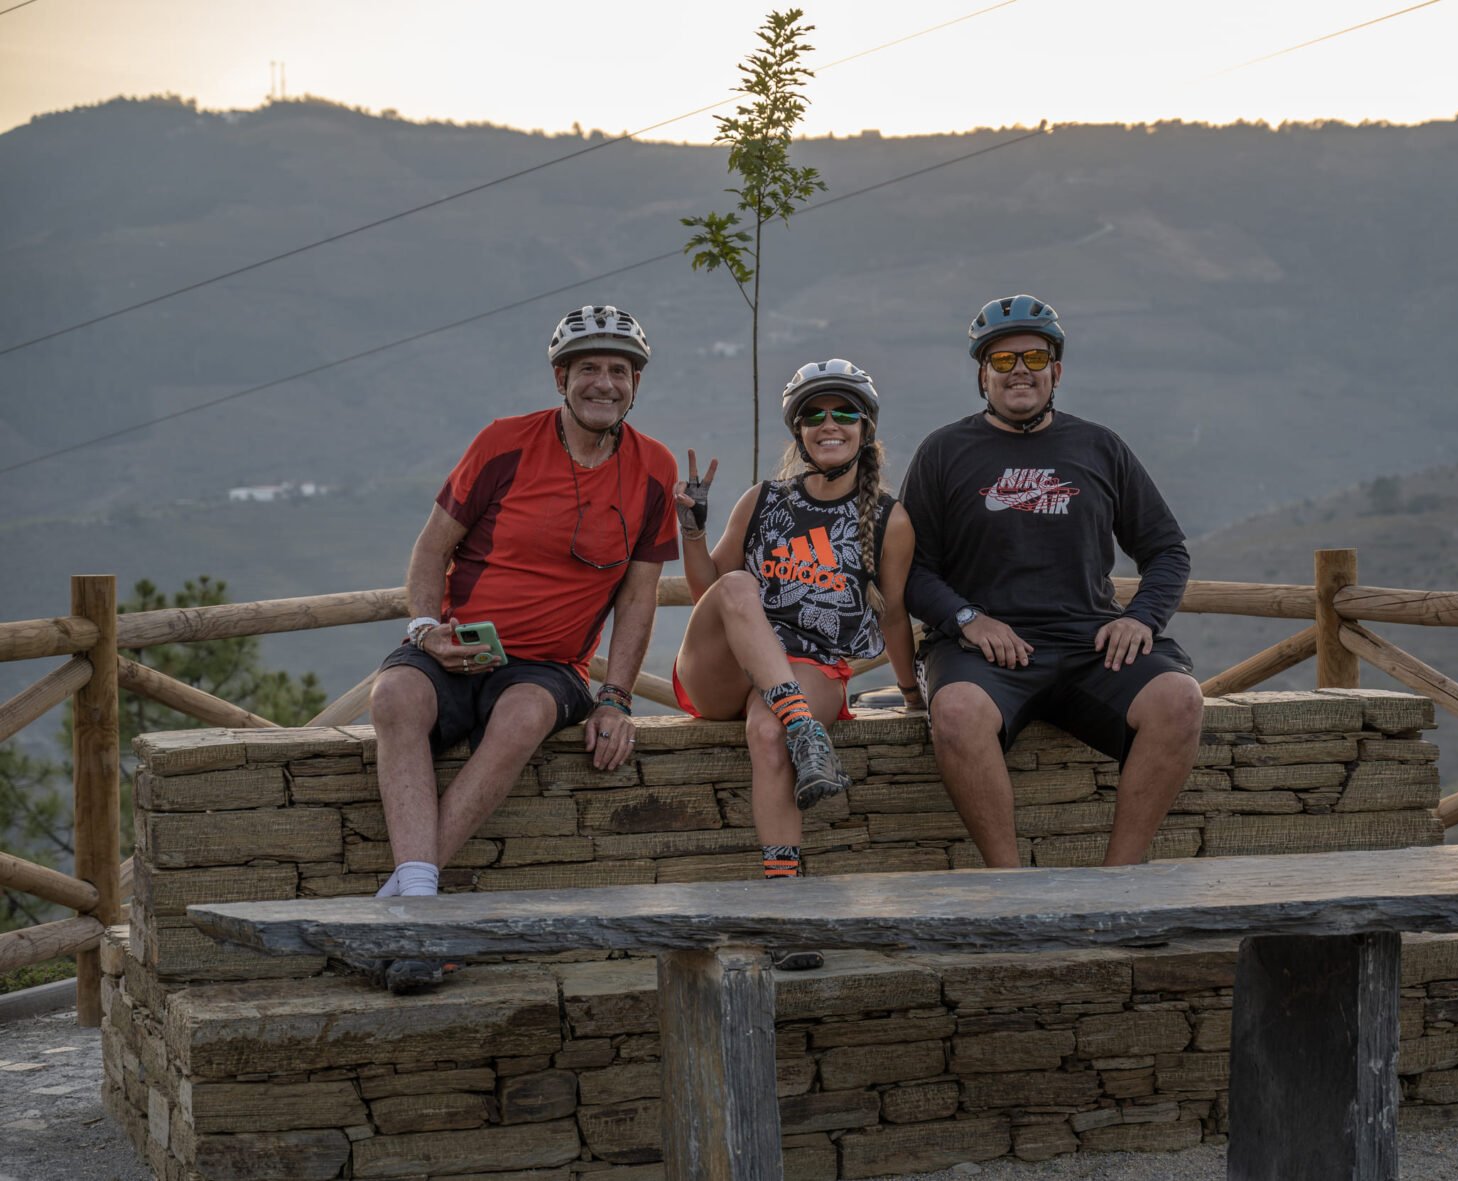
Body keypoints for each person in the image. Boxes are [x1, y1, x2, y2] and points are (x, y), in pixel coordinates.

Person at [364, 304, 679, 993]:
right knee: (393, 696)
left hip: (548, 667)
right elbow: (431, 549)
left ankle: (406, 908)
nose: (605, 383)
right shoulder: (503, 444)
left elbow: (638, 597)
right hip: (457, 645)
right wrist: (424, 630)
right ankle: (417, 911)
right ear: (561, 378)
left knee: (524, 717)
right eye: (588, 368)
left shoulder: (654, 468)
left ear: (636, 383)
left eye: (620, 370)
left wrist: (616, 699)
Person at [899, 294, 1204, 868]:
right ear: (982, 375)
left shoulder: (1100, 447)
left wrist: (1142, 618)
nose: (1020, 371)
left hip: (1090, 645)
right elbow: (911, 570)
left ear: (1056, 372)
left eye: (1035, 358)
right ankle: (1009, 889)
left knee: (1180, 700)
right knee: (957, 712)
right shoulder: (942, 452)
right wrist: (967, 619)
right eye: (1003, 360)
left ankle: (1119, 881)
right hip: (984, 653)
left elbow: (1166, 550)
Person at [672, 359, 919, 967]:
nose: (828, 424)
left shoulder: (890, 519)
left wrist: (913, 694)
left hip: (812, 664)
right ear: (799, 431)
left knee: (768, 731)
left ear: (865, 427)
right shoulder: (764, 500)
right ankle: (806, 729)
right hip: (725, 667)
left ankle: (784, 909)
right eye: (814, 414)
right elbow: (710, 590)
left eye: (843, 412)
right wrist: (692, 530)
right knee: (736, 586)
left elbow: (893, 616)